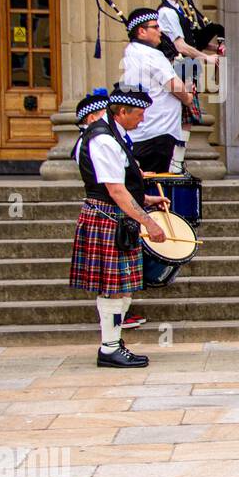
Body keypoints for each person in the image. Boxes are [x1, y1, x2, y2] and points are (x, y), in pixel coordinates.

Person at [69, 84, 171, 368]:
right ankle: (109, 348)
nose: (143, 120)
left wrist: (147, 198)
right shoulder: (103, 139)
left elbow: (120, 184)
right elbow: (115, 191)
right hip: (108, 218)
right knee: (113, 288)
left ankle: (113, 343)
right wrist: (149, 222)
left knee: (121, 287)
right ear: (122, 111)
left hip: (114, 216)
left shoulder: (114, 134)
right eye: (138, 114)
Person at [119, 7, 196, 174]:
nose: (160, 31)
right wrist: (188, 97)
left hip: (141, 132)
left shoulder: (131, 51)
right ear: (141, 31)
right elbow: (174, 85)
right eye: (155, 27)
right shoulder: (152, 55)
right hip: (158, 132)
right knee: (158, 185)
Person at [152, 0, 223, 66]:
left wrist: (215, 48)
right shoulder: (166, 12)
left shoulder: (177, 8)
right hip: (176, 68)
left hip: (186, 67)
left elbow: (190, 40)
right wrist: (206, 57)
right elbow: (180, 46)